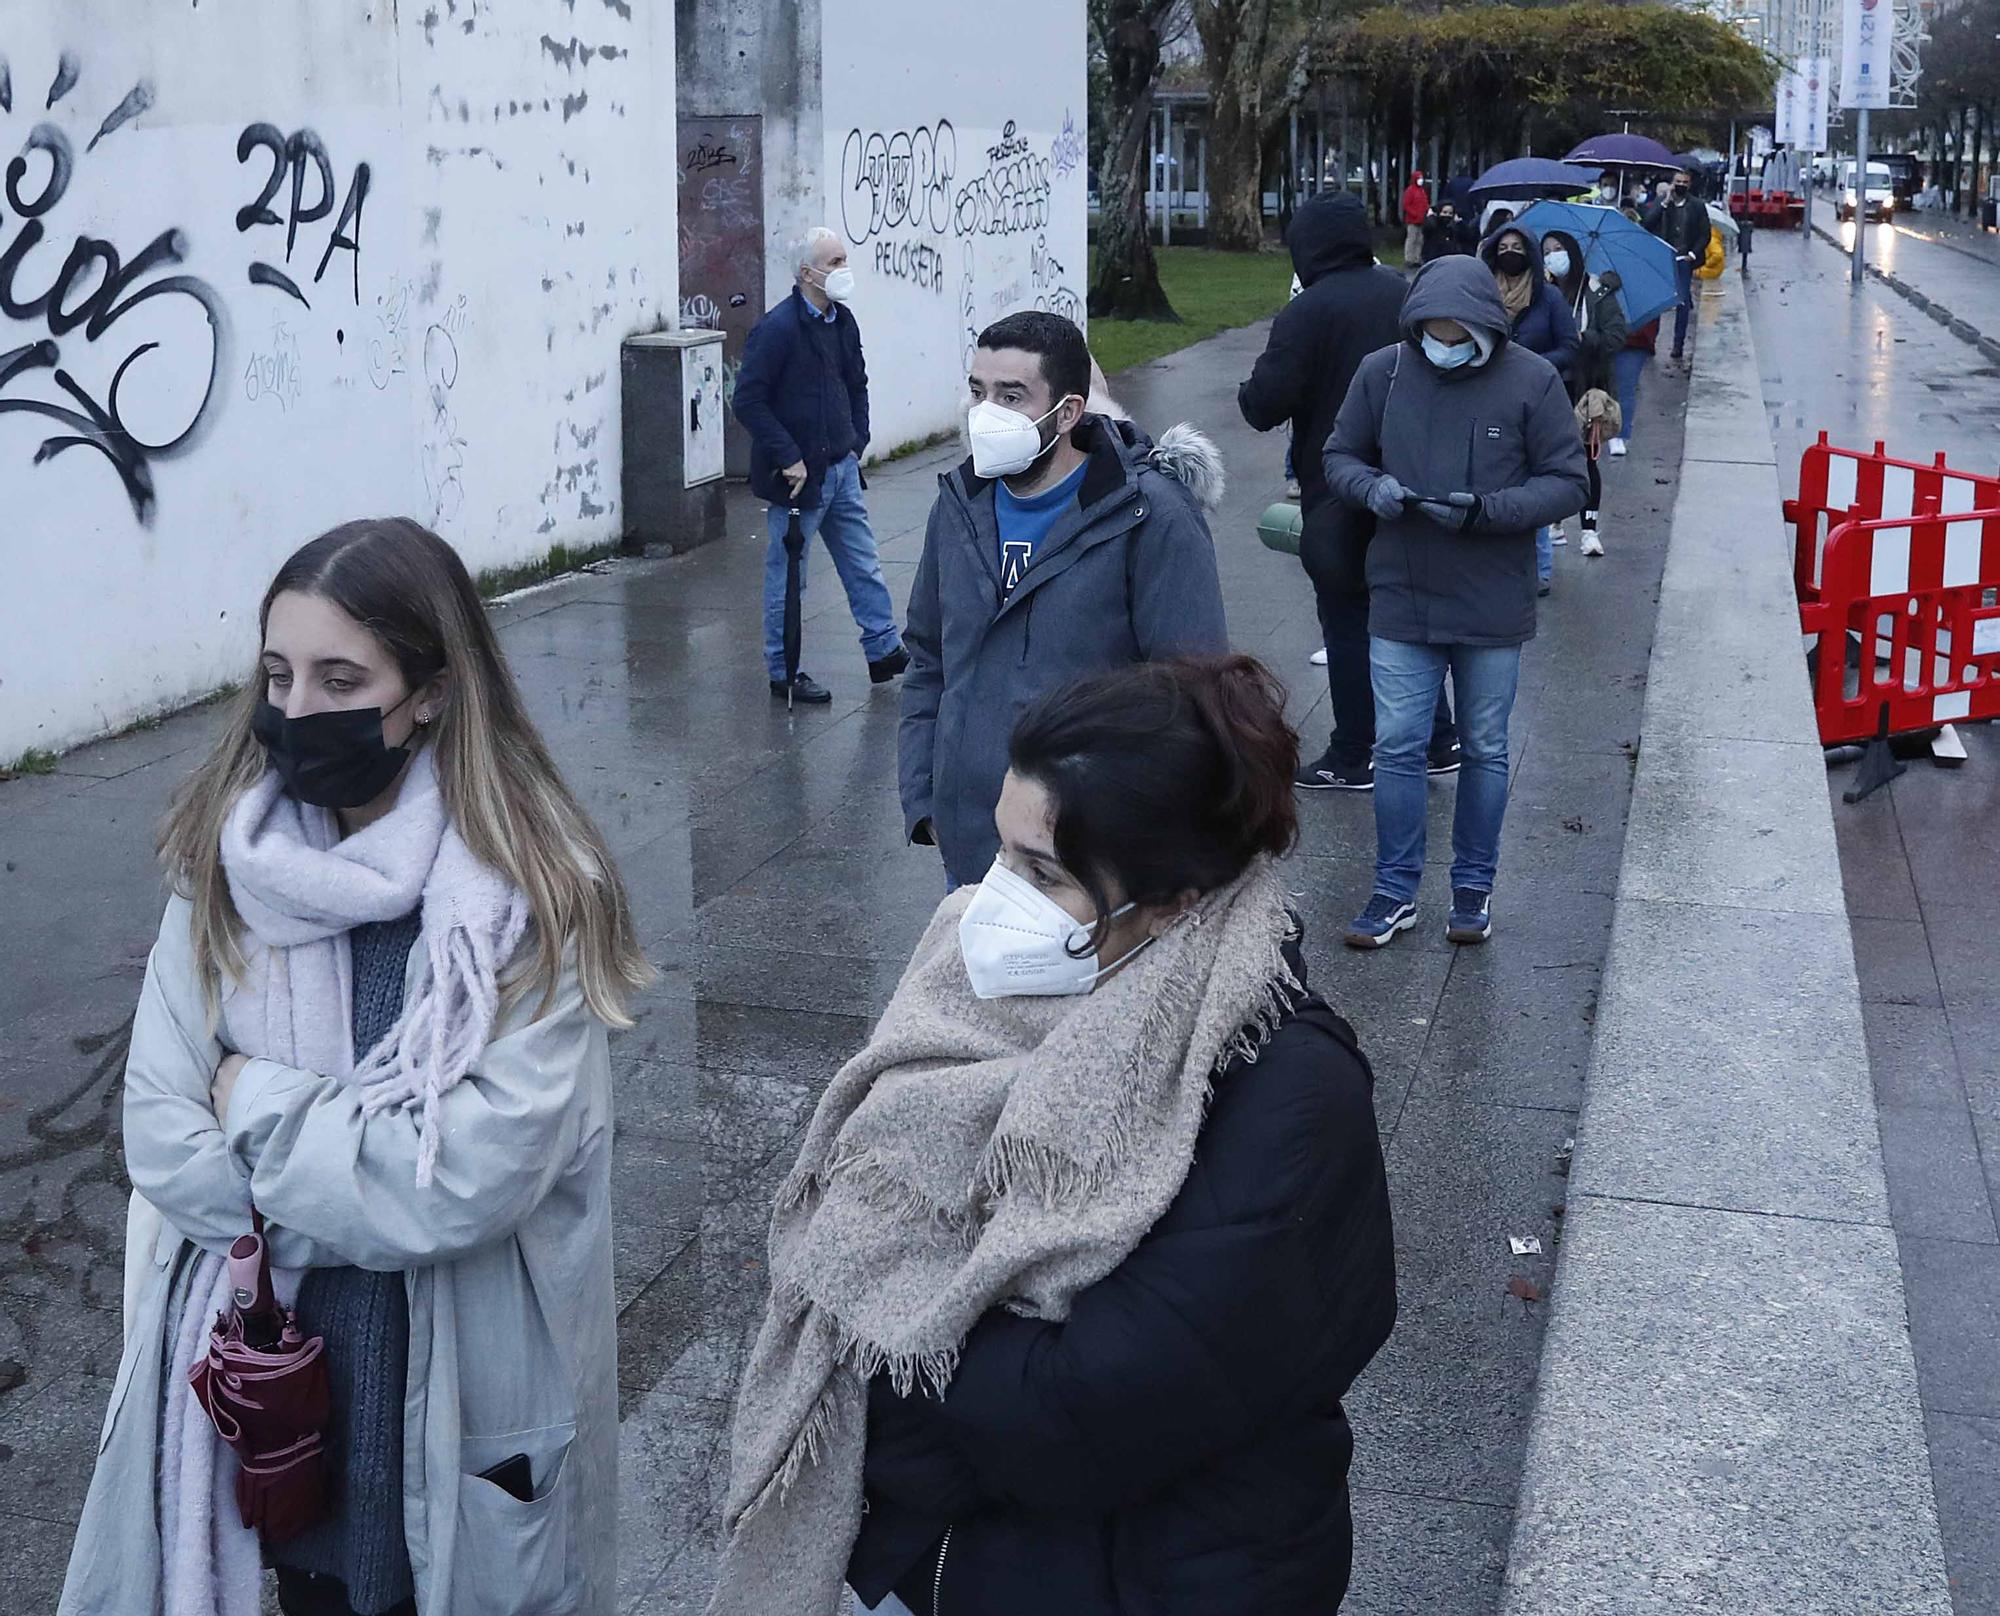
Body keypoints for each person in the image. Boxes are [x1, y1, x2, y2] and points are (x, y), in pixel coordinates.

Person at [707, 654, 1397, 1616]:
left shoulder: (1291, 1101)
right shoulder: (1000, 980)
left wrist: (880, 1283)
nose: (993, 900)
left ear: (1173, 902)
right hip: (970, 1557)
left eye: (1045, 873)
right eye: (1001, 852)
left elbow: (1078, 1416)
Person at [61, 518, 650, 1616]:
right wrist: (354, 1172)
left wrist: (256, 1102)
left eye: (341, 676)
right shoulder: (225, 868)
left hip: (442, 1418)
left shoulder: (527, 896)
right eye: (278, 673)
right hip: (251, 1412)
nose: (295, 710)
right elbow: (161, 1134)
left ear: (429, 690)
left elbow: (457, 1182)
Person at [900, 310, 1228, 889]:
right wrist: (926, 800)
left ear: (1070, 412)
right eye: (978, 391)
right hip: (970, 845)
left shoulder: (1151, 515)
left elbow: (1191, 692)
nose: (986, 414)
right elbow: (929, 659)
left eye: (1012, 395)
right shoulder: (958, 505)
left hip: (1085, 857)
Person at [1323, 256, 1590, 947]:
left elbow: (1569, 481)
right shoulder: (1382, 373)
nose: (1445, 345)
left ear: (1487, 328)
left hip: (1492, 601)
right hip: (1401, 593)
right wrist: (1370, 487)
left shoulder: (1531, 380)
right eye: (1432, 332)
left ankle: (1473, 887)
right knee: (1401, 746)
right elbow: (1339, 454)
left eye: (1458, 334)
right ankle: (1395, 890)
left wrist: (1490, 510)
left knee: (1487, 747)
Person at [1238, 189, 1458, 792]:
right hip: (1412, 482)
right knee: (1403, 617)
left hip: (1337, 489)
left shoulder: (1309, 310)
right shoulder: (1404, 293)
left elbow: (1263, 403)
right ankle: (1439, 738)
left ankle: (1354, 750)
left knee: (1348, 621)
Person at [733, 225, 909, 705]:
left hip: (841, 469)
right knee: (789, 579)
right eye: (834, 263)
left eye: (843, 260)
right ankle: (783, 671)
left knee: (863, 563)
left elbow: (857, 383)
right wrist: (789, 456)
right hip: (798, 481)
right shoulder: (778, 330)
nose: (843, 270)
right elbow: (748, 400)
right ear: (807, 273)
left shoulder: (842, 322)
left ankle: (884, 649)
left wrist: (857, 441)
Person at [1478, 225, 1579, 593]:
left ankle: (1539, 570)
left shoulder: (1548, 297)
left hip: (1537, 400)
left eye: (1517, 247)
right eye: (1502, 247)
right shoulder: (1483, 292)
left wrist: (1531, 362)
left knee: (1532, 481)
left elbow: (1570, 346)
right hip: (1489, 396)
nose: (1509, 252)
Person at [1542, 230, 1627, 556]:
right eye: (1547, 250)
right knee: (1551, 459)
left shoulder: (1596, 292)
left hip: (1587, 387)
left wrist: (1587, 338)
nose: (1553, 256)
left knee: (1586, 459)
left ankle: (1589, 529)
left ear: (1573, 252)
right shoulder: (1545, 291)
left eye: (1559, 249)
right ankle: (1555, 523)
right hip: (1551, 385)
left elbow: (1616, 336)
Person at [1644, 168, 1712, 362]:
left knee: (1682, 303)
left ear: (1689, 184)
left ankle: (1678, 344)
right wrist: (1664, 203)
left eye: (1685, 182)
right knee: (1656, 303)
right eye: (1678, 181)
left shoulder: (1697, 206)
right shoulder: (1663, 203)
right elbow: (1647, 224)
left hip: (1684, 260)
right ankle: (1650, 341)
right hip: (1663, 259)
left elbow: (1704, 233)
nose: (1681, 185)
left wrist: (1693, 253)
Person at [1610, 312, 1659, 458]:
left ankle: (1619, 434)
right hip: (1625, 337)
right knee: (1624, 388)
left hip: (1633, 341)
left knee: (1625, 387)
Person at [1402, 169, 1430, 267]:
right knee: (1411, 239)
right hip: (1412, 220)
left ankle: (1417, 258)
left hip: (1421, 220)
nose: (1421, 180)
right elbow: (1406, 205)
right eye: (1419, 178)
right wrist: (1414, 214)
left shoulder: (1421, 191)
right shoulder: (1410, 191)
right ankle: (1409, 259)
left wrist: (1428, 210)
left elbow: (1425, 202)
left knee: (1419, 240)